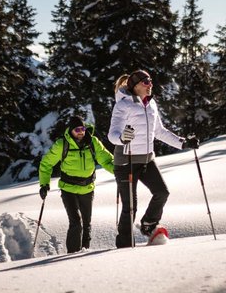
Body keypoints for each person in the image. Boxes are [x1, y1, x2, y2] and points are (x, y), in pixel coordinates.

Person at [108, 70, 199, 248]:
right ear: (135, 86)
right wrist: (122, 138)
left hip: (147, 160)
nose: (150, 85)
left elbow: (159, 132)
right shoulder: (123, 106)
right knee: (130, 207)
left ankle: (149, 224)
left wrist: (183, 143)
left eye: (150, 81)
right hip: (126, 162)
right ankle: (124, 245)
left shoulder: (151, 105)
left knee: (162, 192)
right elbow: (112, 134)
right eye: (145, 82)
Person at [38, 115, 115, 253]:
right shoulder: (62, 144)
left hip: (87, 188)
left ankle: (84, 252)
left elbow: (106, 160)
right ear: (71, 130)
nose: (81, 131)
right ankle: (72, 254)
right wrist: (44, 184)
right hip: (69, 189)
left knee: (86, 224)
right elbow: (46, 164)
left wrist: (119, 172)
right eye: (77, 129)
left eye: (83, 128)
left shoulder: (93, 142)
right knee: (76, 223)